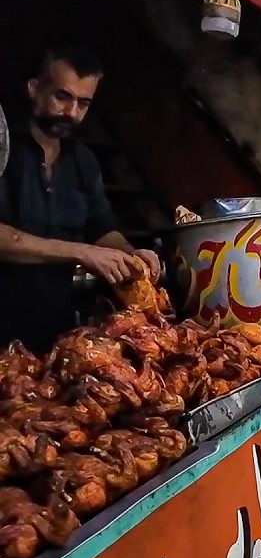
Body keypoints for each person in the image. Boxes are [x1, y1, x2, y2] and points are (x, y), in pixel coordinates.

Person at [0, 46, 161, 354]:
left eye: (83, 103)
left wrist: (131, 254)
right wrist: (81, 252)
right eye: (62, 97)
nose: (72, 113)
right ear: (34, 89)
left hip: (56, 334)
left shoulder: (83, 161)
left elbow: (101, 230)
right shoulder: (4, 149)